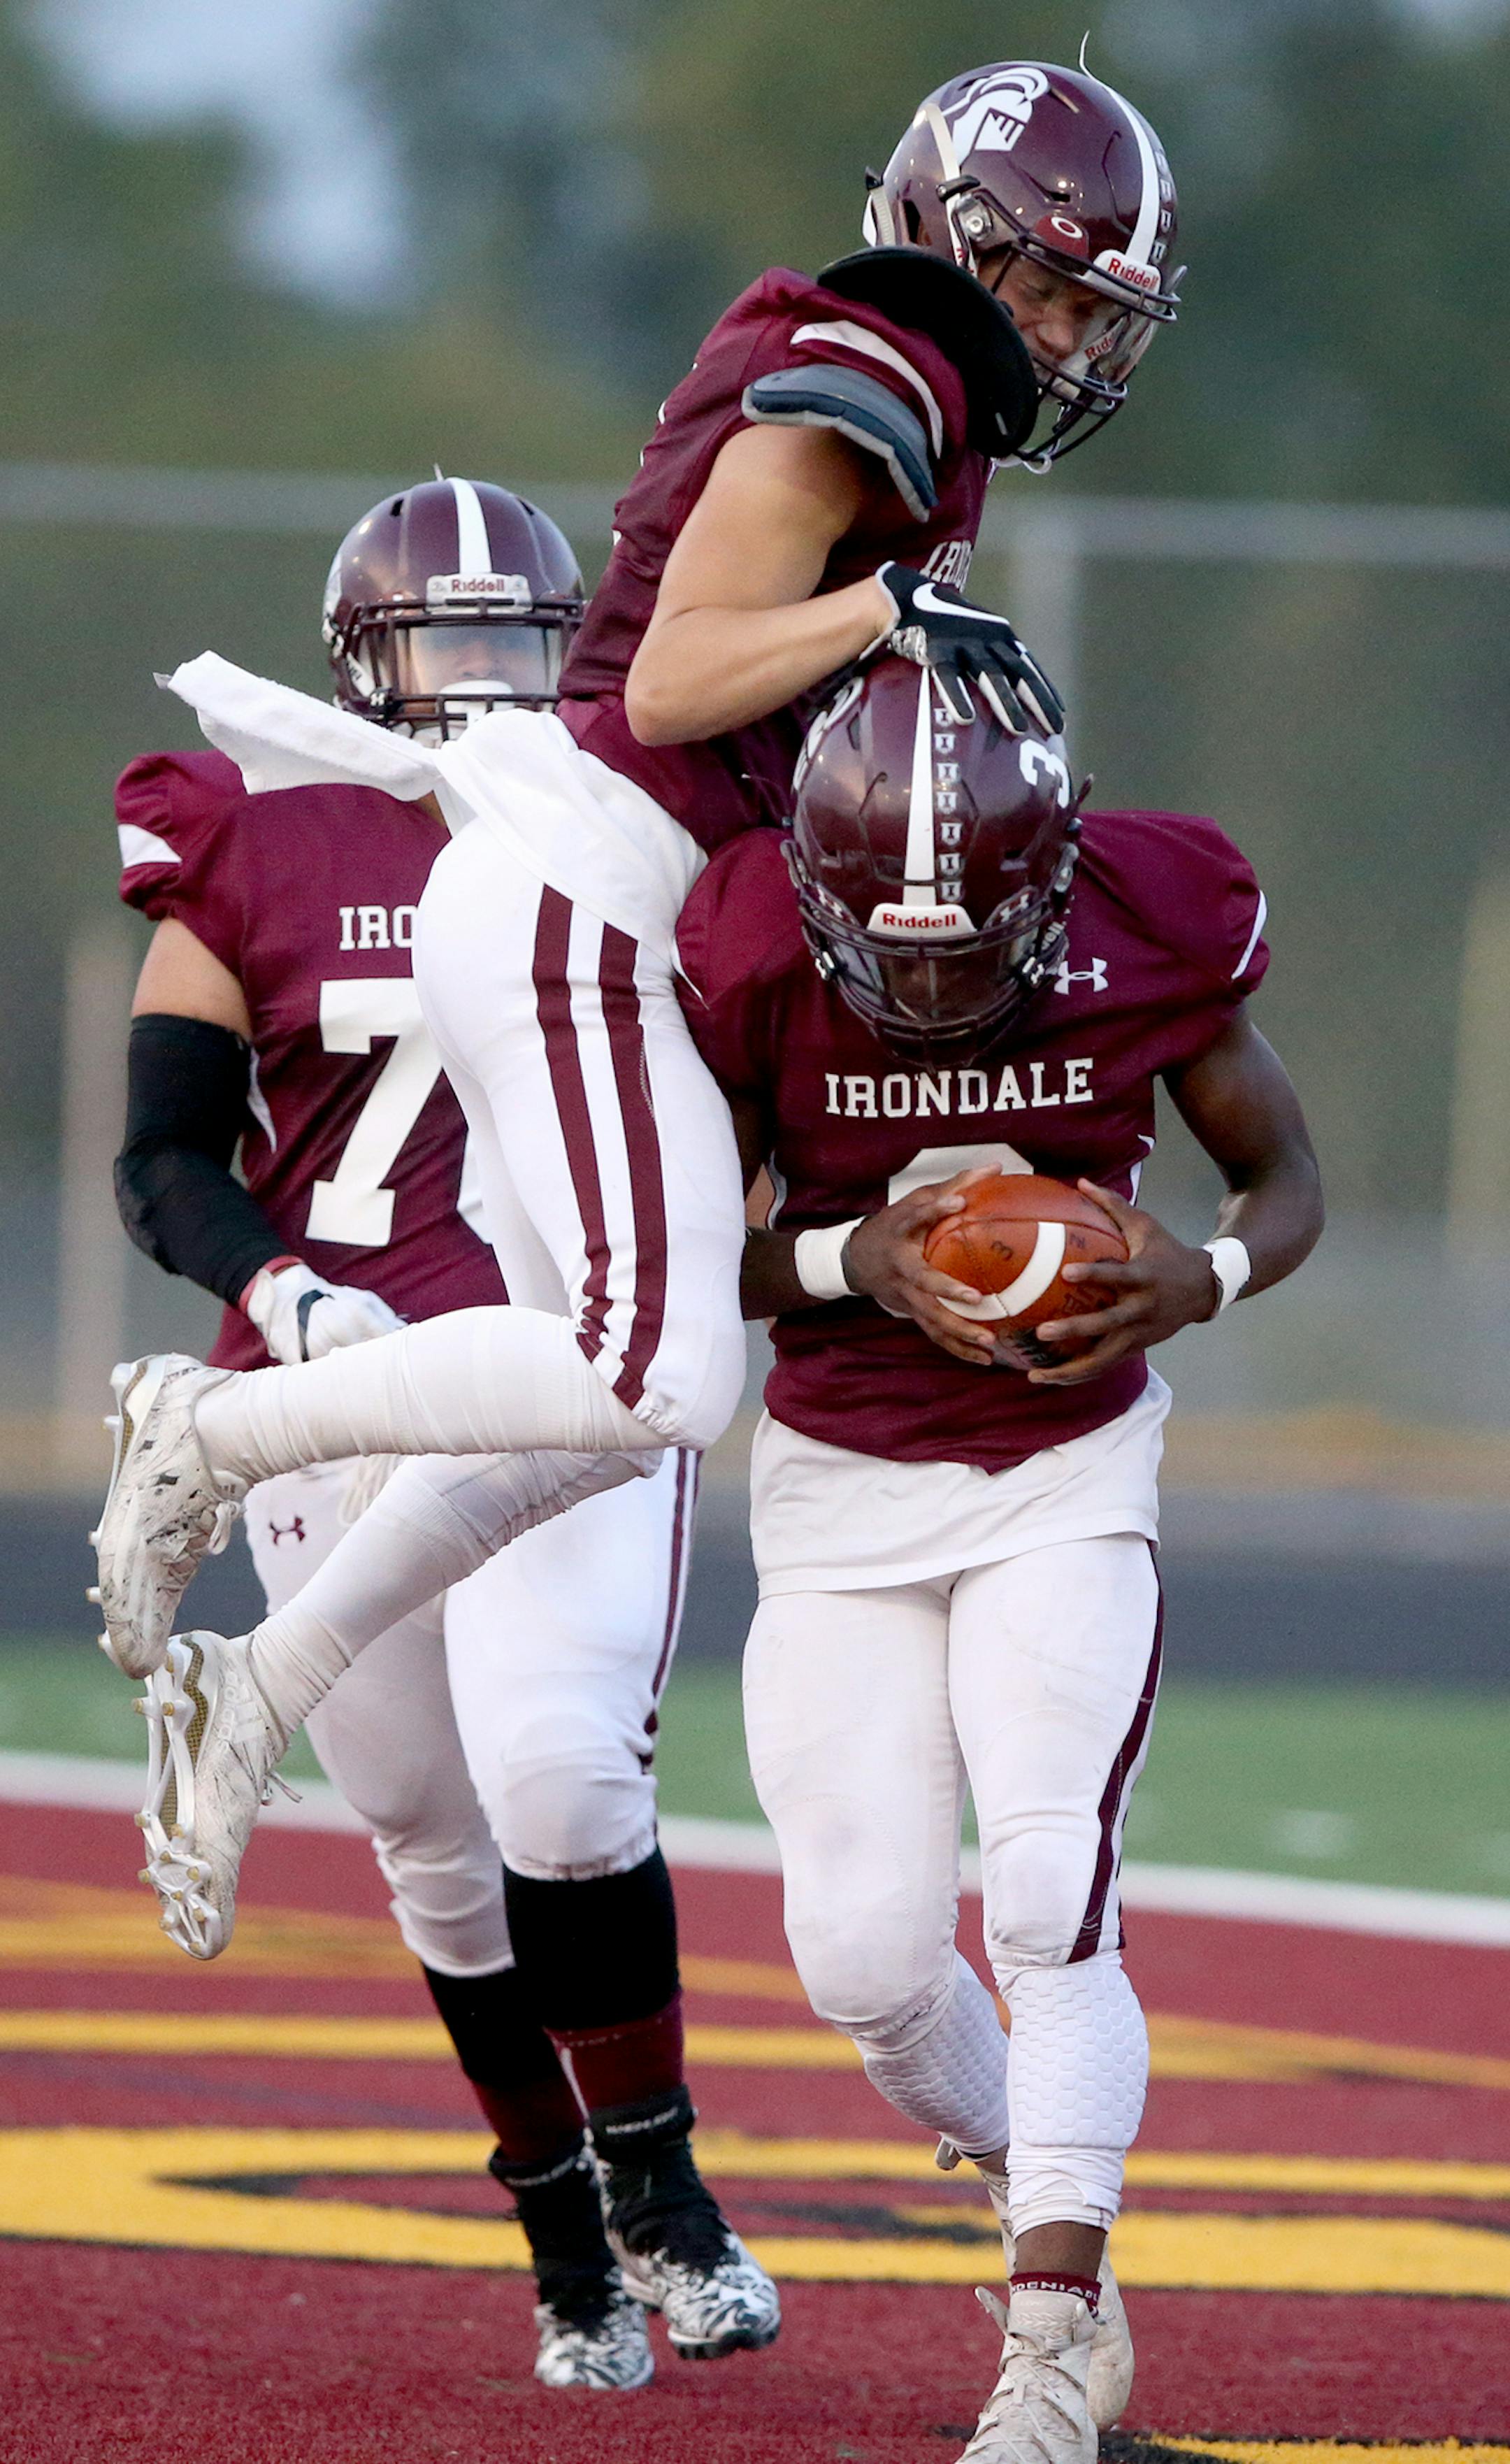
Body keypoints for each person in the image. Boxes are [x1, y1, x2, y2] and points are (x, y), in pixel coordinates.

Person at [91, 62, 1182, 1986]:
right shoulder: (882, 360)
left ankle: (261, 1681)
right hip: (585, 887)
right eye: (1070, 291)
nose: (1085, 339)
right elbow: (678, 675)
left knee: (604, 1407)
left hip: (604, 902)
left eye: (1109, 311)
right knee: (659, 1379)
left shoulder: (917, 394)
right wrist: (884, 623)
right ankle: (218, 1427)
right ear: (967, 242)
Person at [109, 475, 777, 2386]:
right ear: (360, 662)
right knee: (427, 1831)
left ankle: (662, 2192)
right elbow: (163, 1150)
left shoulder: (633, 824)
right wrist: (279, 1292)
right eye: (438, 646)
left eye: (513, 645)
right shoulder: (250, 833)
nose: (475, 684)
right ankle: (560, 2224)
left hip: (570, 1367)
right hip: (340, 1387)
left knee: (566, 1782)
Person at [670, 654, 1323, 2463]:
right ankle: (1040, 2189)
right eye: (902, 947)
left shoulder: (1152, 914)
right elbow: (681, 1242)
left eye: (981, 945)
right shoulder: (744, 947)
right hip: (842, 1478)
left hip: (1065, 1467)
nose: (939, 987)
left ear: (1062, 866)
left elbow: (1283, 1177)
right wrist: (846, 1260)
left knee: (1046, 1893)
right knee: (867, 1961)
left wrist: (1209, 1272)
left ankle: (1047, 2335)